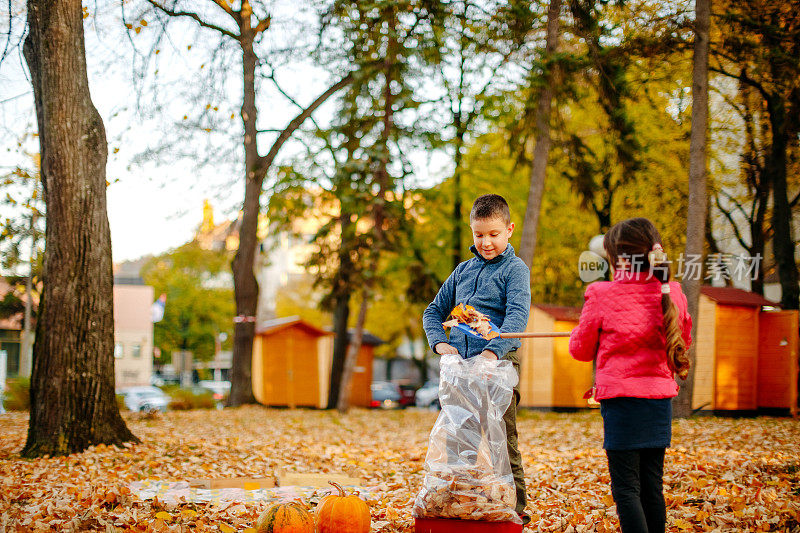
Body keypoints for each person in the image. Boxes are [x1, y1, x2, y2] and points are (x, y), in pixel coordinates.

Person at [569, 217, 692, 533]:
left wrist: (583, 332)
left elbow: (580, 351)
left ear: (618, 258)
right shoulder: (674, 292)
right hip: (658, 403)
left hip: (622, 404)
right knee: (652, 485)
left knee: (626, 488)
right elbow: (683, 339)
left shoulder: (600, 293)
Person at [422, 193, 532, 524]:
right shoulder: (462, 272)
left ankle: (515, 511)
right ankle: (460, 502)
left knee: (501, 440)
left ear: (509, 230)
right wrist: (440, 344)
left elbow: (516, 317)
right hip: (459, 372)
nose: (485, 242)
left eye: (493, 234)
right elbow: (433, 312)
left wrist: (491, 351)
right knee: (458, 439)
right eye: (479, 234)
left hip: (498, 369)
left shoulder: (515, 270)